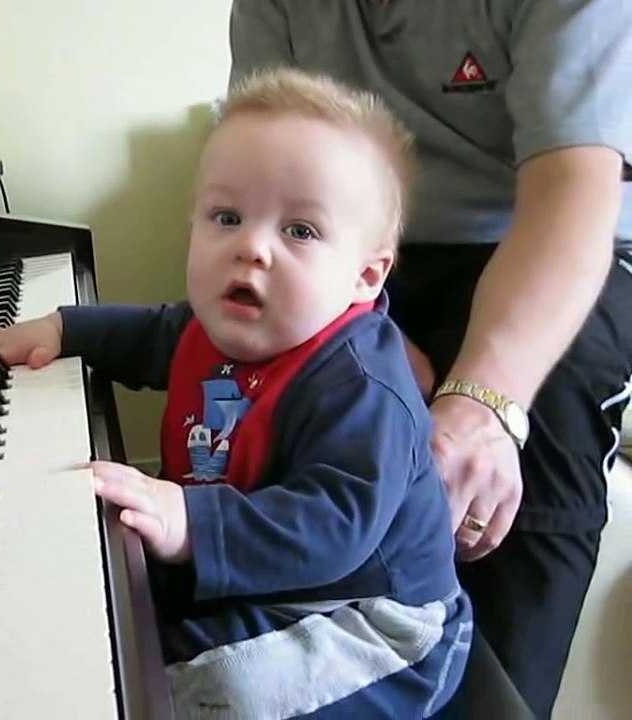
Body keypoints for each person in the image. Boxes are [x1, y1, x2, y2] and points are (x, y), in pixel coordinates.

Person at [0, 68, 471, 718]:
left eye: (300, 231)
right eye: (228, 217)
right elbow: (154, 334)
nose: (251, 246)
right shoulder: (224, 327)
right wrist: (63, 329)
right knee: (123, 623)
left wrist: (189, 522)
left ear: (365, 276)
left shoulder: (362, 387)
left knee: (194, 688)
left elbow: (332, 526)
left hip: (369, 617)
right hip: (270, 579)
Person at [225, 1, 632, 717]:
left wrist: (483, 402)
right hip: (359, 246)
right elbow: (267, 169)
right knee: (278, 367)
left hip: (543, 236)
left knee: (547, 405)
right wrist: (360, 328)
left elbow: (573, 196)